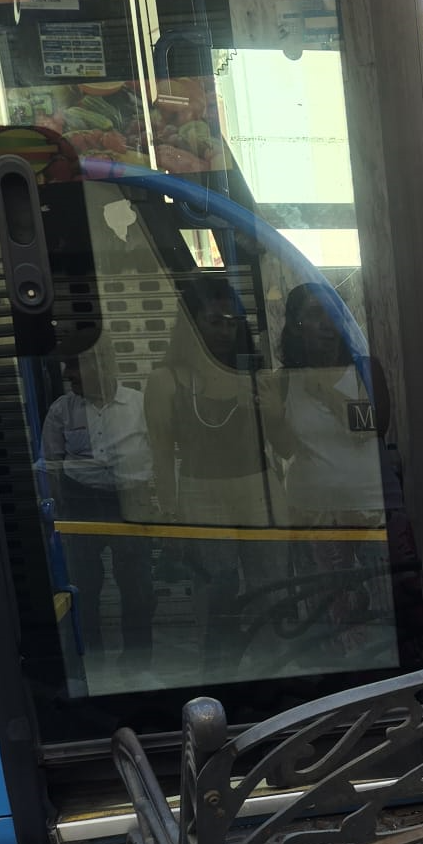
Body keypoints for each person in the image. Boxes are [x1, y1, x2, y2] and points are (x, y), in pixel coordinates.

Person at [145, 275, 282, 679]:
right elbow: (159, 452)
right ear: (192, 324)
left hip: (257, 485)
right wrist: (169, 515)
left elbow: (284, 443)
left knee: (270, 585)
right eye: (214, 320)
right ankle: (219, 673)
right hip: (200, 491)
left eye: (231, 321)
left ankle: (274, 669)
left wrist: (271, 412)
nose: (224, 329)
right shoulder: (166, 381)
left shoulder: (255, 375)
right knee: (214, 589)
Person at [270, 284, 394, 660]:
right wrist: (268, 413)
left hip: (369, 509)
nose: (327, 324)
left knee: (379, 608)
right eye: (315, 314)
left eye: (333, 313)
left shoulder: (365, 370)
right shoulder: (283, 380)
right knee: (327, 612)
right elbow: (287, 448)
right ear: (296, 324)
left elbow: (372, 428)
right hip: (314, 510)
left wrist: (324, 389)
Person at [41, 333, 156, 668]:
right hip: (81, 502)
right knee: (83, 588)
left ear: (101, 364)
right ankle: (90, 659)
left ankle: (138, 660)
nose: (68, 374)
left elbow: (159, 456)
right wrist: (60, 513)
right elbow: (51, 466)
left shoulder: (139, 404)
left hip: (130, 502)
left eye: (74, 365)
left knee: (137, 587)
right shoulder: (61, 411)